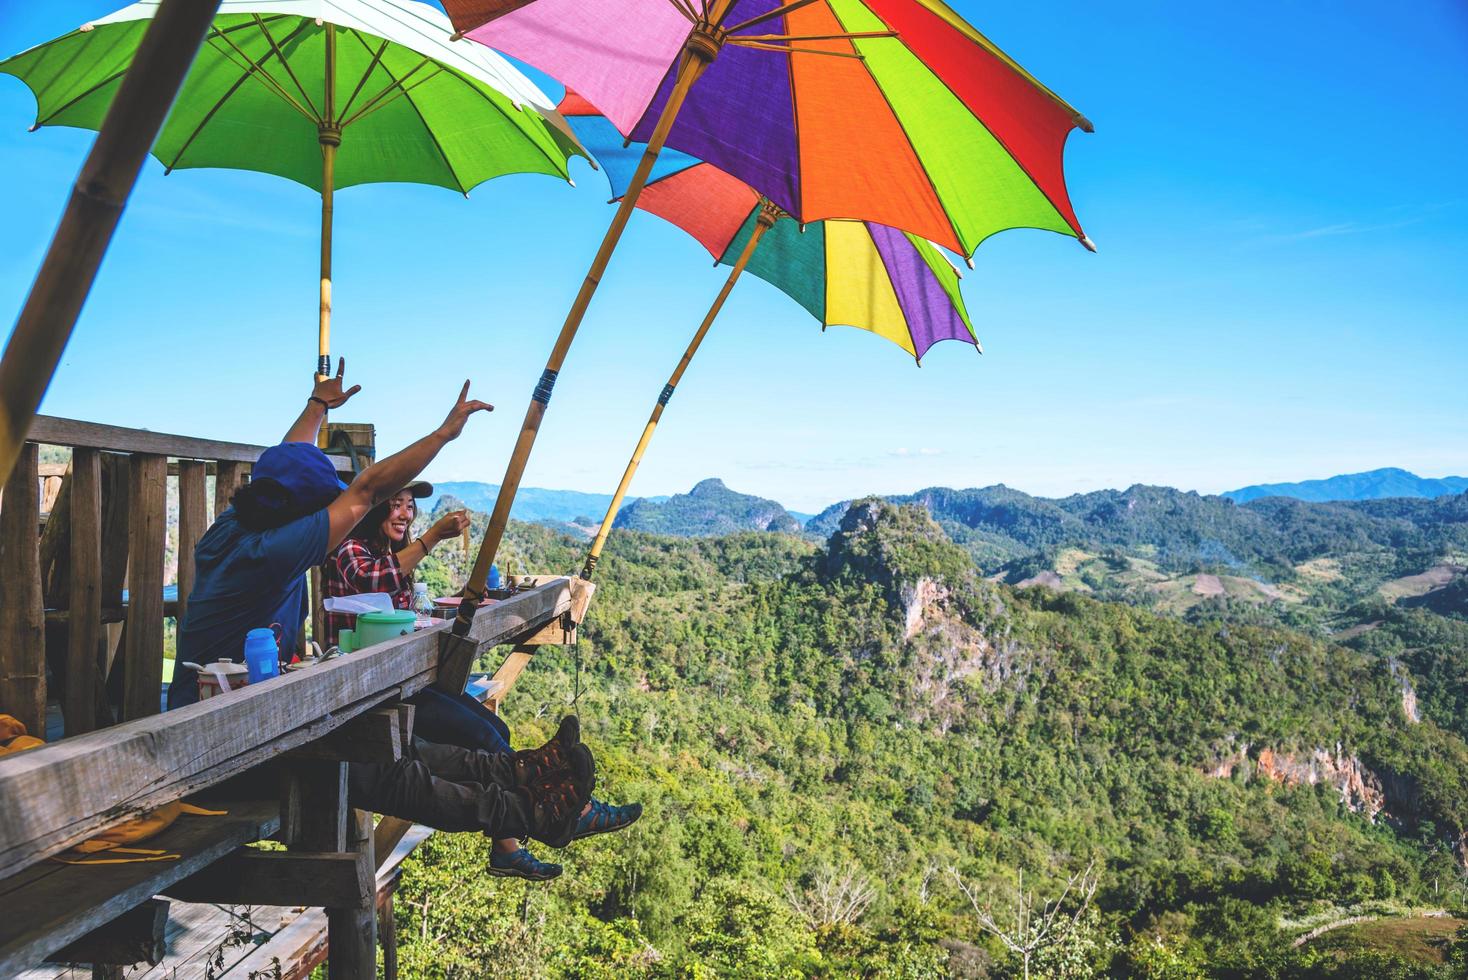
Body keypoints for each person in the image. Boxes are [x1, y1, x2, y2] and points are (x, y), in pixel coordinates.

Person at [170, 363, 593, 849]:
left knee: (404, 746)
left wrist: (317, 406)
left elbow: (286, 461)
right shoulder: (271, 552)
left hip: (239, 715)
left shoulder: (234, 525)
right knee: (378, 770)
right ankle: (526, 812)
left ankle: (519, 774)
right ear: (298, 514)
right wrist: (444, 435)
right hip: (220, 746)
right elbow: (368, 488)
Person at [323, 484, 642, 880]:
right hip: (372, 691)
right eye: (394, 505)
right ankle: (555, 819)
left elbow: (397, 606)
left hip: (401, 679)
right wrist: (433, 537)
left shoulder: (386, 552)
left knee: (495, 726)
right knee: (482, 736)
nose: (404, 514)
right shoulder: (351, 549)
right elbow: (377, 583)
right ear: (372, 511)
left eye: (409, 506)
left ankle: (542, 822)